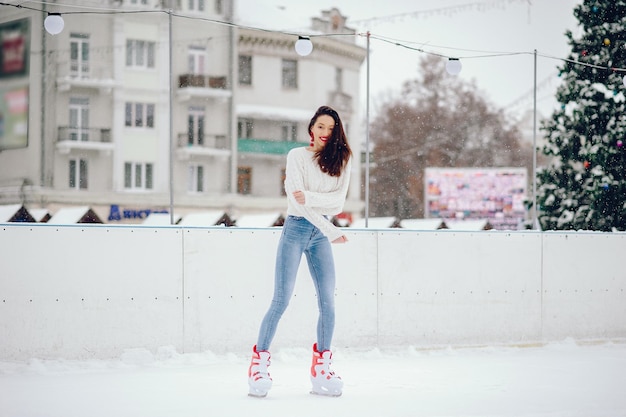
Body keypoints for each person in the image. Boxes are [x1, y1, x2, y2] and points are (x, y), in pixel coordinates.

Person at [247, 105, 352, 398]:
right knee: (281, 299)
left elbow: (337, 204)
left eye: (331, 128)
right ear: (311, 128)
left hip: (321, 235)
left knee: (328, 302)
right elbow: (299, 205)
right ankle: (259, 364)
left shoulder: (342, 160)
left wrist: (313, 200)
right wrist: (330, 227)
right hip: (295, 229)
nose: (325, 133)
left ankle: (322, 367)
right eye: (320, 127)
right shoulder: (296, 156)